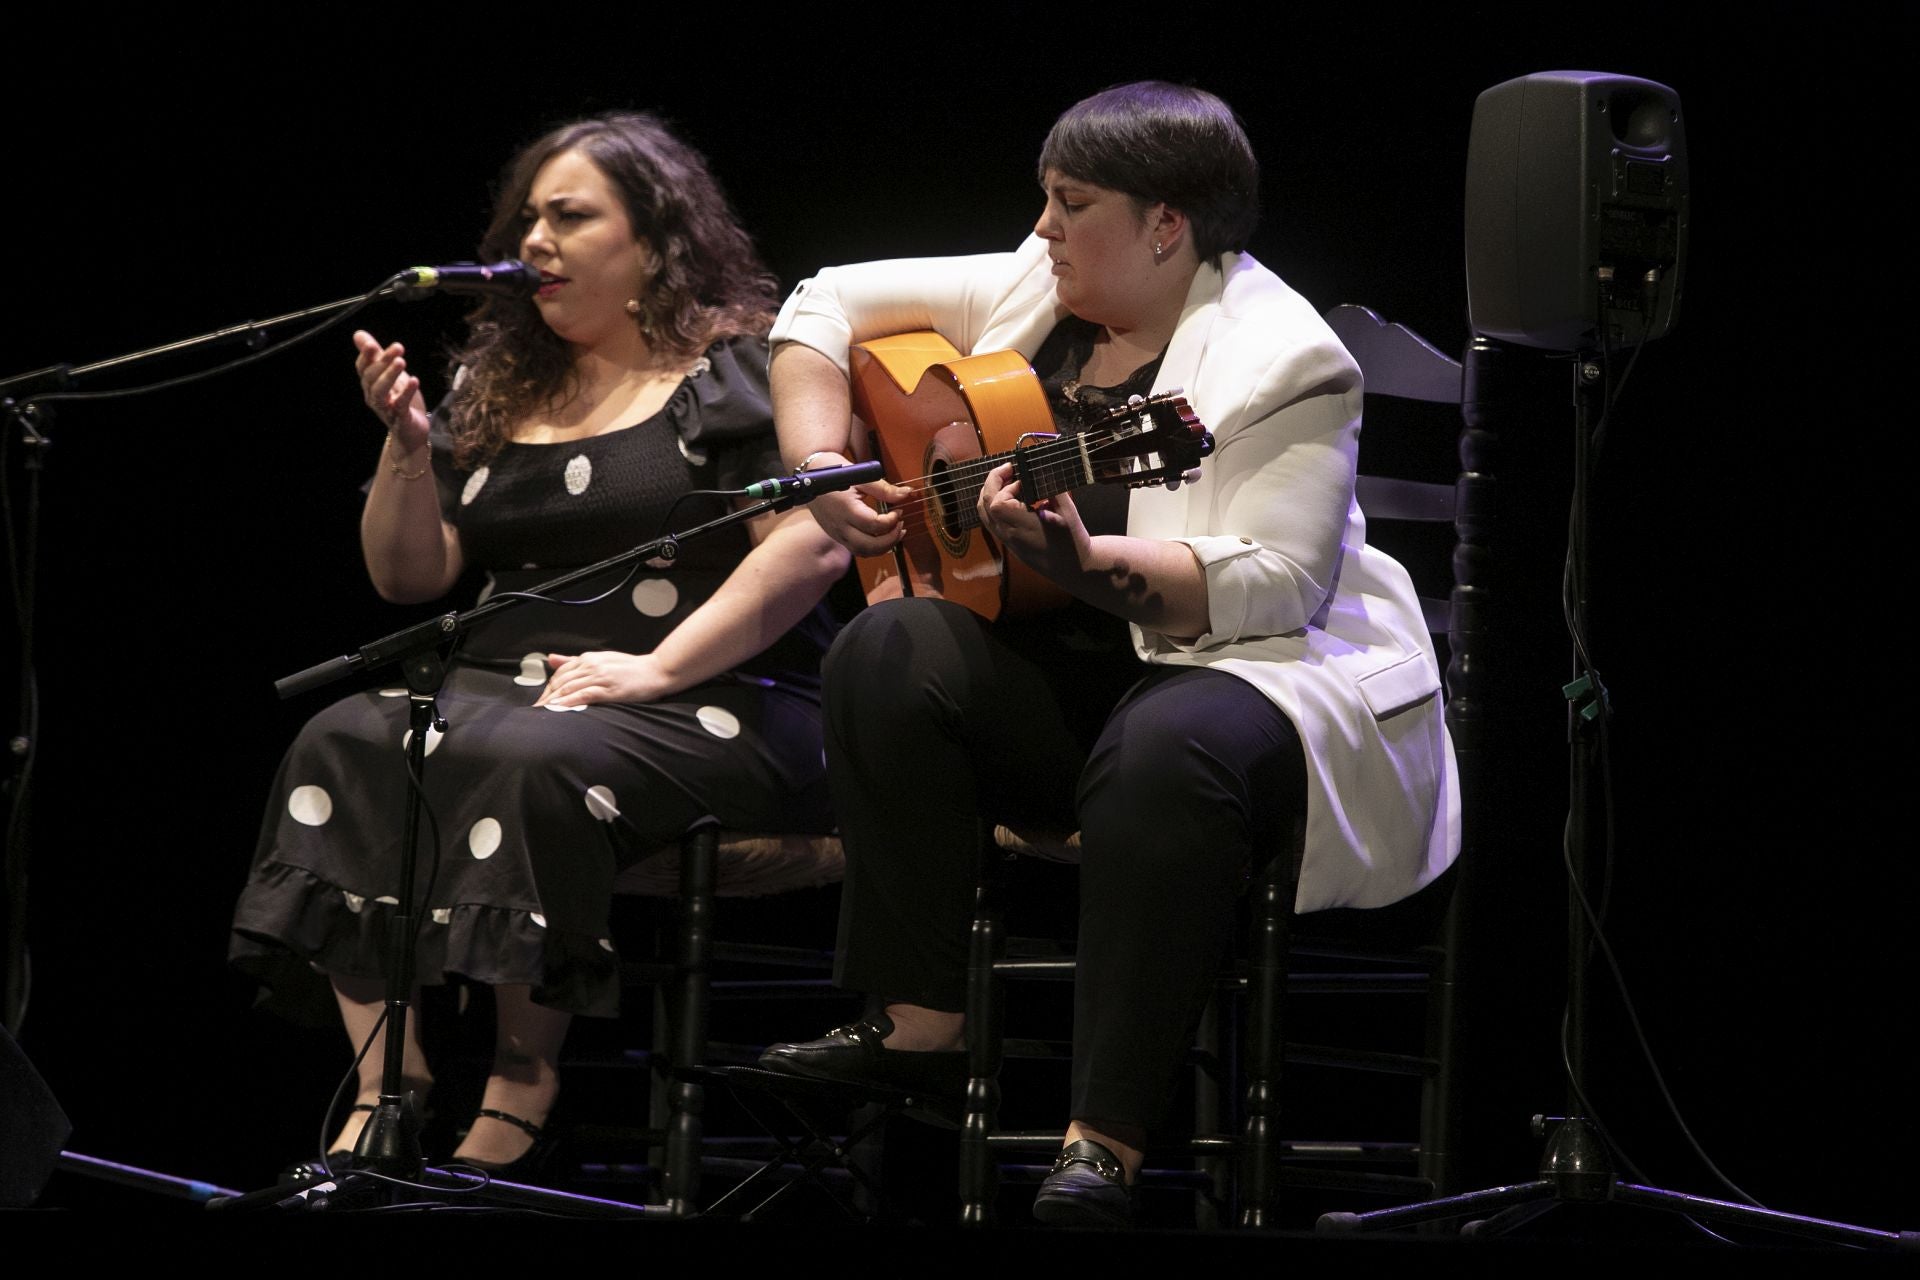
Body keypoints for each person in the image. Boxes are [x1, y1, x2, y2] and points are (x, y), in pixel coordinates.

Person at [755, 81, 1459, 1228]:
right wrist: (826, 468)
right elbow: (822, 301)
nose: (1040, 230)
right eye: (1043, 198)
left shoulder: (1286, 362)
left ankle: (1106, 1141)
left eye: (1068, 203)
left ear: (1165, 223)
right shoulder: (1045, 281)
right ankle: (922, 1025)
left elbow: (1277, 585)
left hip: (1253, 675)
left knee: (1165, 744)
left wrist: (1085, 563)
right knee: (887, 645)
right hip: (1072, 671)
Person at [230, 112, 851, 1176]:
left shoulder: (735, 369)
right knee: (344, 737)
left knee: (530, 753)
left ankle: (523, 1079)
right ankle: (392, 1086)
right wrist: (408, 451)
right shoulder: (503, 385)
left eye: (570, 216)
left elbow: (811, 547)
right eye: (527, 218)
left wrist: (654, 668)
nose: (536, 241)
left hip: (710, 692)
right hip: (499, 688)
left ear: (655, 241)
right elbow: (409, 577)